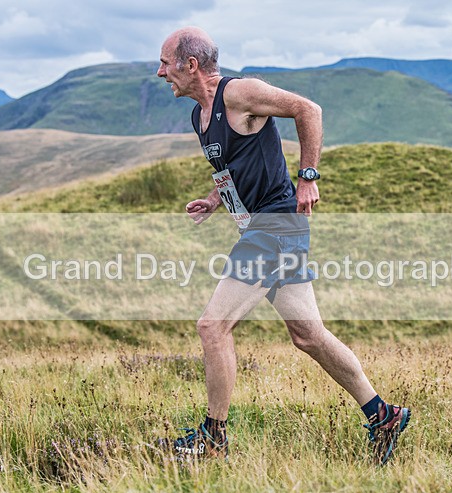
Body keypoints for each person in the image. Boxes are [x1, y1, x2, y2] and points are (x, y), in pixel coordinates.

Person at [156, 27, 410, 465]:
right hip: (262, 227)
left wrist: (308, 177)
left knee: (212, 326)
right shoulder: (200, 117)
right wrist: (217, 198)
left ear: (190, 65)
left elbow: (307, 109)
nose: (161, 72)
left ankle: (213, 438)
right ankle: (383, 414)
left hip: (276, 226)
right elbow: (235, 162)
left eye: (165, 63)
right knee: (308, 335)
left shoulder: (240, 93)